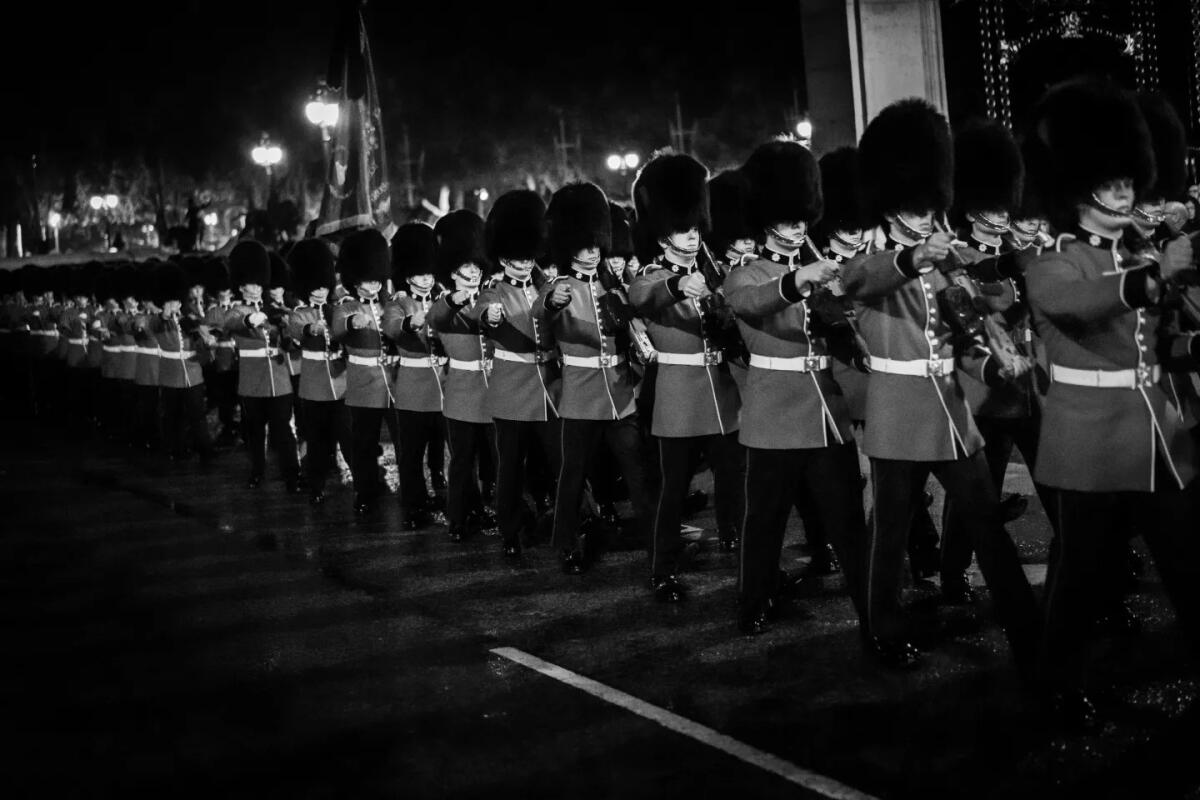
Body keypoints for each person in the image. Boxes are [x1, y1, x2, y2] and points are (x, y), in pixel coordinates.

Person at [1023, 78, 1200, 729]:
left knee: (1188, 564)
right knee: (1082, 580)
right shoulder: (1050, 260)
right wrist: (1155, 276)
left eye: (1129, 179)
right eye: (1110, 181)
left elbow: (1159, 342)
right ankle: (1056, 686)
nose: (1125, 191)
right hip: (1092, 444)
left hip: (1157, 437)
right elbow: (1082, 304)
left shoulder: (1137, 253)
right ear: (1079, 186)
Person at [843, 98, 1041, 672]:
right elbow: (858, 283)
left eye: (931, 206)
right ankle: (881, 628)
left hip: (950, 411)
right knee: (891, 530)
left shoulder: (948, 257)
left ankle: (1024, 620)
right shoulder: (876, 258)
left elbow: (963, 331)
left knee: (985, 521)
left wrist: (993, 365)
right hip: (900, 412)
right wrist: (911, 258)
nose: (928, 216)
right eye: (916, 207)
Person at [724, 139, 864, 634]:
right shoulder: (745, 273)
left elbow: (844, 329)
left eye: (801, 219)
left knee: (848, 522)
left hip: (826, 410)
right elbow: (751, 303)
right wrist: (799, 279)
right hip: (774, 414)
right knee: (765, 521)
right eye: (787, 220)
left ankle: (874, 613)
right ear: (767, 222)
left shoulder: (823, 268)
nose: (797, 228)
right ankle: (754, 601)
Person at [939, 118, 1047, 606]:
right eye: (992, 204)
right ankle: (954, 572)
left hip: (1034, 387)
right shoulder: (960, 254)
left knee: (1060, 485)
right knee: (977, 499)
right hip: (989, 392)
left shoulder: (1020, 248)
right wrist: (1013, 266)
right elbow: (979, 286)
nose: (1002, 213)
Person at [629, 151, 743, 602]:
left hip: (721, 390)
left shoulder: (712, 270)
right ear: (663, 236)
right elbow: (643, 296)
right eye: (682, 229)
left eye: (695, 228)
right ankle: (662, 567)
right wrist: (678, 286)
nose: (692, 236)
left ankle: (739, 548)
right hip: (678, 395)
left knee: (734, 479)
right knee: (674, 488)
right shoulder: (652, 274)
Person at [535, 182, 652, 576]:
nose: (591, 252)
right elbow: (542, 311)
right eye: (584, 246)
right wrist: (553, 302)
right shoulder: (558, 288)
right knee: (572, 474)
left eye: (595, 245)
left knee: (637, 471)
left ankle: (657, 540)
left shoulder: (611, 286)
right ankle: (566, 542)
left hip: (620, 392)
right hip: (581, 396)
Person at [476, 189, 562, 558]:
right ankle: (509, 531)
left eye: (528, 256)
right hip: (513, 392)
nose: (524, 263)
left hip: (549, 389)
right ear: (503, 258)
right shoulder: (494, 291)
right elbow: (484, 311)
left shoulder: (546, 287)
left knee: (562, 462)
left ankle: (566, 523)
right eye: (516, 257)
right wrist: (489, 317)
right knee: (510, 468)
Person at [428, 210, 497, 542]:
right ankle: (457, 517)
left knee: (496, 459)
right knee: (462, 462)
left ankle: (488, 508)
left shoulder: (490, 295)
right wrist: (456, 299)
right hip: (463, 393)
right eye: (466, 266)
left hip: (493, 389)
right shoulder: (445, 302)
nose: (473, 270)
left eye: (476, 265)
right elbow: (437, 317)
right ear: (452, 270)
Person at [222, 241, 301, 492]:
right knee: (255, 432)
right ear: (241, 286)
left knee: (283, 430)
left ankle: (292, 474)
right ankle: (257, 471)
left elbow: (287, 338)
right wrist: (249, 319)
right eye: (249, 284)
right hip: (252, 380)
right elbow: (232, 322)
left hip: (278, 379)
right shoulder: (237, 310)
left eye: (258, 284)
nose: (255, 289)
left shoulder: (274, 309)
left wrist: (290, 335)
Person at [332, 228, 400, 517]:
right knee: (363, 444)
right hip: (363, 384)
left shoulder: (391, 302)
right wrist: (352, 324)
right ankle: (365, 489)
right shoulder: (346, 306)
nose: (373, 284)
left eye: (376, 277)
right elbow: (338, 328)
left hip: (394, 382)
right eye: (367, 279)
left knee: (403, 439)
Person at [383, 223, 447, 529]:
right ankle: (413, 502)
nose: (427, 278)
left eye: (429, 273)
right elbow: (393, 327)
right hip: (413, 386)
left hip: (444, 385)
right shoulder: (397, 303)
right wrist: (411, 323)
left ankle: (441, 486)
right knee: (411, 453)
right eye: (421, 274)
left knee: (440, 446)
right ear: (408, 276)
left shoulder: (442, 298)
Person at [286, 238, 352, 505]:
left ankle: (364, 480)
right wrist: (310, 330)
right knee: (317, 441)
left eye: (324, 286)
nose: (321, 291)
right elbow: (297, 330)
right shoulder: (299, 313)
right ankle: (316, 485)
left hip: (342, 384)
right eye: (316, 287)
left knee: (348, 437)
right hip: (314, 386)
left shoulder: (336, 308)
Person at [151, 260, 215, 462]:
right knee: (172, 416)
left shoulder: (190, 320)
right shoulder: (157, 320)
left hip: (193, 373)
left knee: (197, 415)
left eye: (178, 300)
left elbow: (199, 342)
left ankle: (204, 449)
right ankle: (174, 449)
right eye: (172, 300)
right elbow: (153, 326)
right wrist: (165, 313)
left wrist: (207, 342)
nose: (176, 304)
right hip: (171, 374)